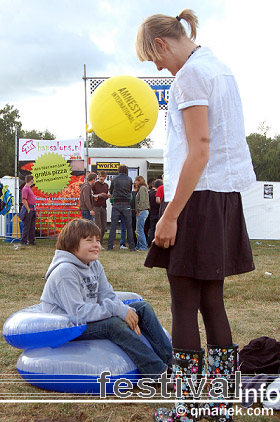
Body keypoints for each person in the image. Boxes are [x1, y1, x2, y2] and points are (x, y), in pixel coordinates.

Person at [136, 9, 256, 422]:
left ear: (162, 44)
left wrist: (169, 214)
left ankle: (186, 409)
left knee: (184, 304)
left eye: (154, 58)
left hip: (196, 199)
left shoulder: (189, 75)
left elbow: (199, 149)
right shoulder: (219, 68)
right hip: (221, 198)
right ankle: (220, 405)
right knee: (211, 302)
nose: (158, 66)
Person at [40, 218, 172, 380]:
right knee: (114, 325)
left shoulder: (94, 265)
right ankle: (158, 374)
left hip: (87, 317)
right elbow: (78, 313)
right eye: (89, 240)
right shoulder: (65, 271)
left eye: (98, 240)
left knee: (142, 307)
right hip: (70, 325)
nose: (96, 245)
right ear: (71, 244)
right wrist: (117, 311)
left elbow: (107, 295)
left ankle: (173, 363)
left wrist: (123, 310)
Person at [107, 165, 135, 251]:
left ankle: (110, 246)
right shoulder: (130, 179)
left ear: (118, 170)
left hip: (116, 204)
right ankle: (132, 247)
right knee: (129, 226)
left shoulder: (114, 179)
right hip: (126, 204)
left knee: (113, 226)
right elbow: (130, 191)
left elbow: (111, 190)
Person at [92, 171, 110, 245]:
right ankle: (96, 242)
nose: (101, 178)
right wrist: (98, 195)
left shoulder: (106, 185)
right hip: (96, 206)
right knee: (98, 225)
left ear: (105, 177)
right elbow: (92, 195)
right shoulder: (95, 184)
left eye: (103, 177)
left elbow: (105, 197)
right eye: (100, 176)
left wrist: (107, 196)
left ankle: (100, 242)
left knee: (103, 226)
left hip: (103, 206)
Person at [134, 176, 150, 251]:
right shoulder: (143, 188)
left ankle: (143, 247)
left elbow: (142, 200)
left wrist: (139, 210)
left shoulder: (142, 188)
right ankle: (138, 246)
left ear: (139, 181)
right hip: (143, 211)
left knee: (140, 230)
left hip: (142, 211)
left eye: (136, 181)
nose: (135, 182)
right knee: (139, 229)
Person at [21, 175, 36, 246]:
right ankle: (24, 241)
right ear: (31, 180)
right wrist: (28, 209)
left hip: (32, 208)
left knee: (32, 226)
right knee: (27, 226)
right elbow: (24, 199)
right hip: (29, 209)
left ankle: (31, 241)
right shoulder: (25, 189)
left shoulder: (29, 188)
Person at [147, 179, 163, 247]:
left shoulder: (150, 193)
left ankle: (150, 242)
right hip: (159, 213)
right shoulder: (161, 192)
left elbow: (148, 203)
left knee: (152, 228)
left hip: (152, 213)